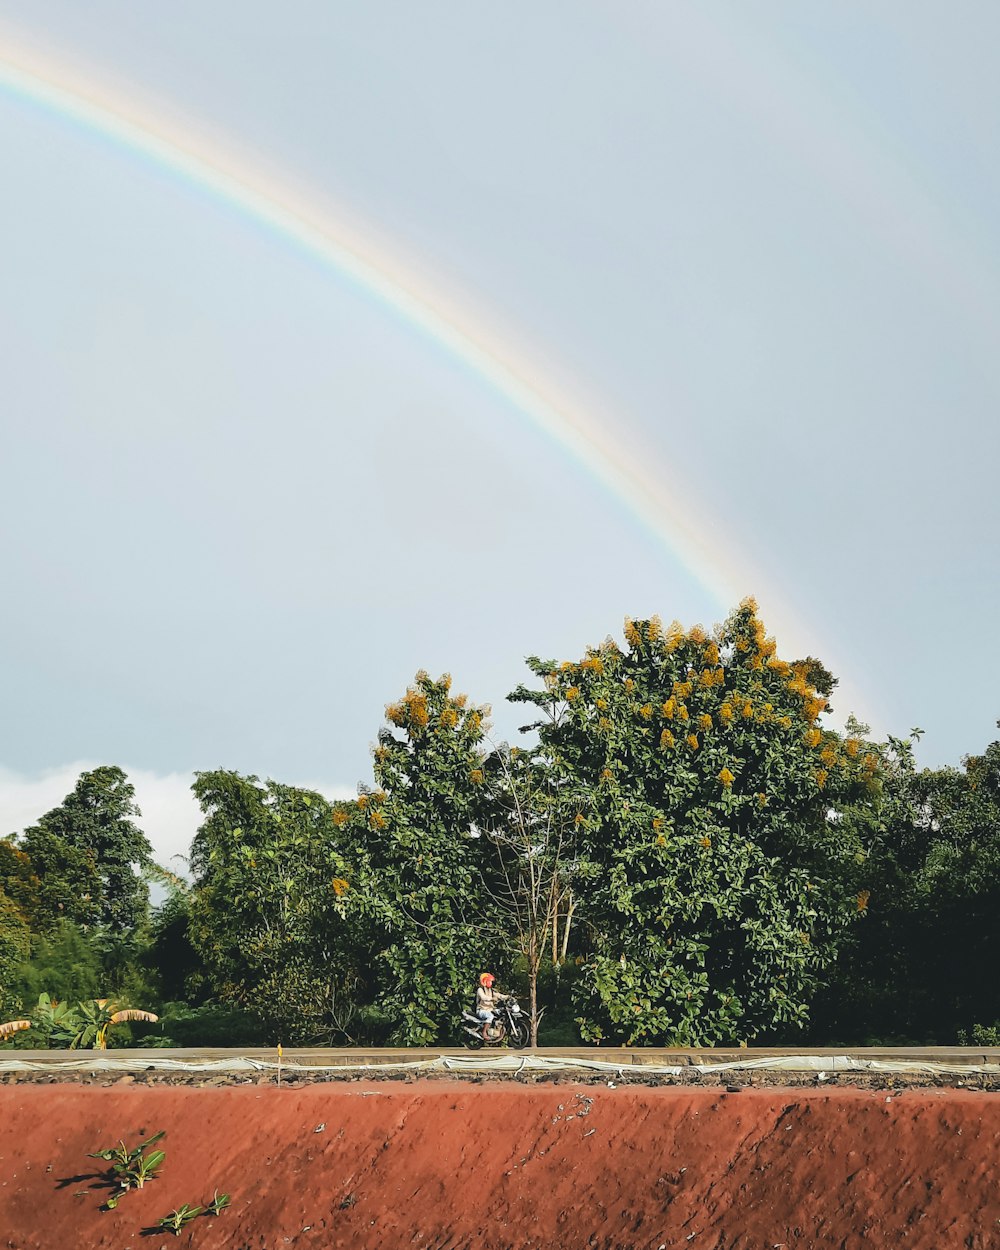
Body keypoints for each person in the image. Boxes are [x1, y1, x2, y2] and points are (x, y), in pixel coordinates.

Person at [474, 972, 509, 1039]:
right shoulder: (480, 990)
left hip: (490, 1010)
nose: (491, 983)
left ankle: (496, 1030)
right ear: (485, 981)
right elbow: (483, 997)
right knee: (491, 1016)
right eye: (489, 981)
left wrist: (507, 997)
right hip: (481, 1010)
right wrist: (492, 999)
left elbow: (499, 995)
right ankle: (484, 1032)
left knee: (501, 1012)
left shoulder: (491, 990)